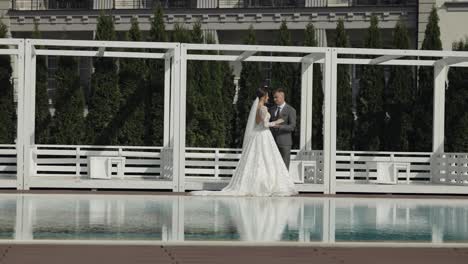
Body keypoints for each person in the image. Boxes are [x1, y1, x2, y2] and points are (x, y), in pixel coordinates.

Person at [191, 87, 297, 196]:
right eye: (268, 96)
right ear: (263, 96)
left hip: (260, 136)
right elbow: (265, 125)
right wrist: (277, 122)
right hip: (264, 135)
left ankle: (258, 184)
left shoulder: (258, 107)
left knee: (259, 160)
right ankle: (267, 185)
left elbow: (257, 122)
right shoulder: (263, 108)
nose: (269, 98)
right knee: (265, 160)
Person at [268, 88, 296, 169]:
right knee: (273, 164)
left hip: (285, 143)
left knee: (285, 165)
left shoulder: (291, 110)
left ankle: (285, 182)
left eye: (276, 97)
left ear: (283, 97)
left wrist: (280, 127)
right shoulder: (271, 110)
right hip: (272, 141)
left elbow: (292, 127)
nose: (274, 99)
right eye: (274, 97)